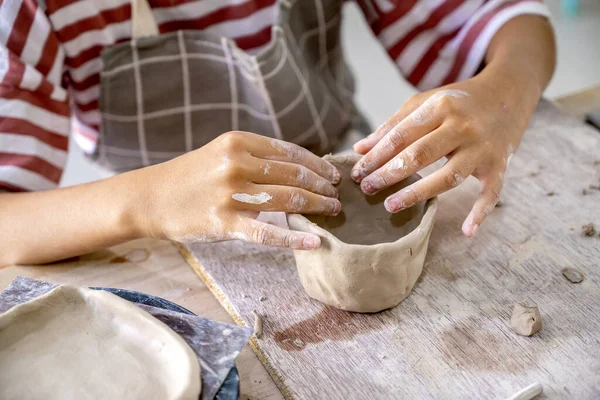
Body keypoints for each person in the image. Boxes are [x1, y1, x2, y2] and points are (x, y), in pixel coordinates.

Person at [0, 0, 555, 266]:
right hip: (158, 240)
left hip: (339, 161)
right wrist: (148, 201)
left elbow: (516, 21)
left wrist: (503, 94)